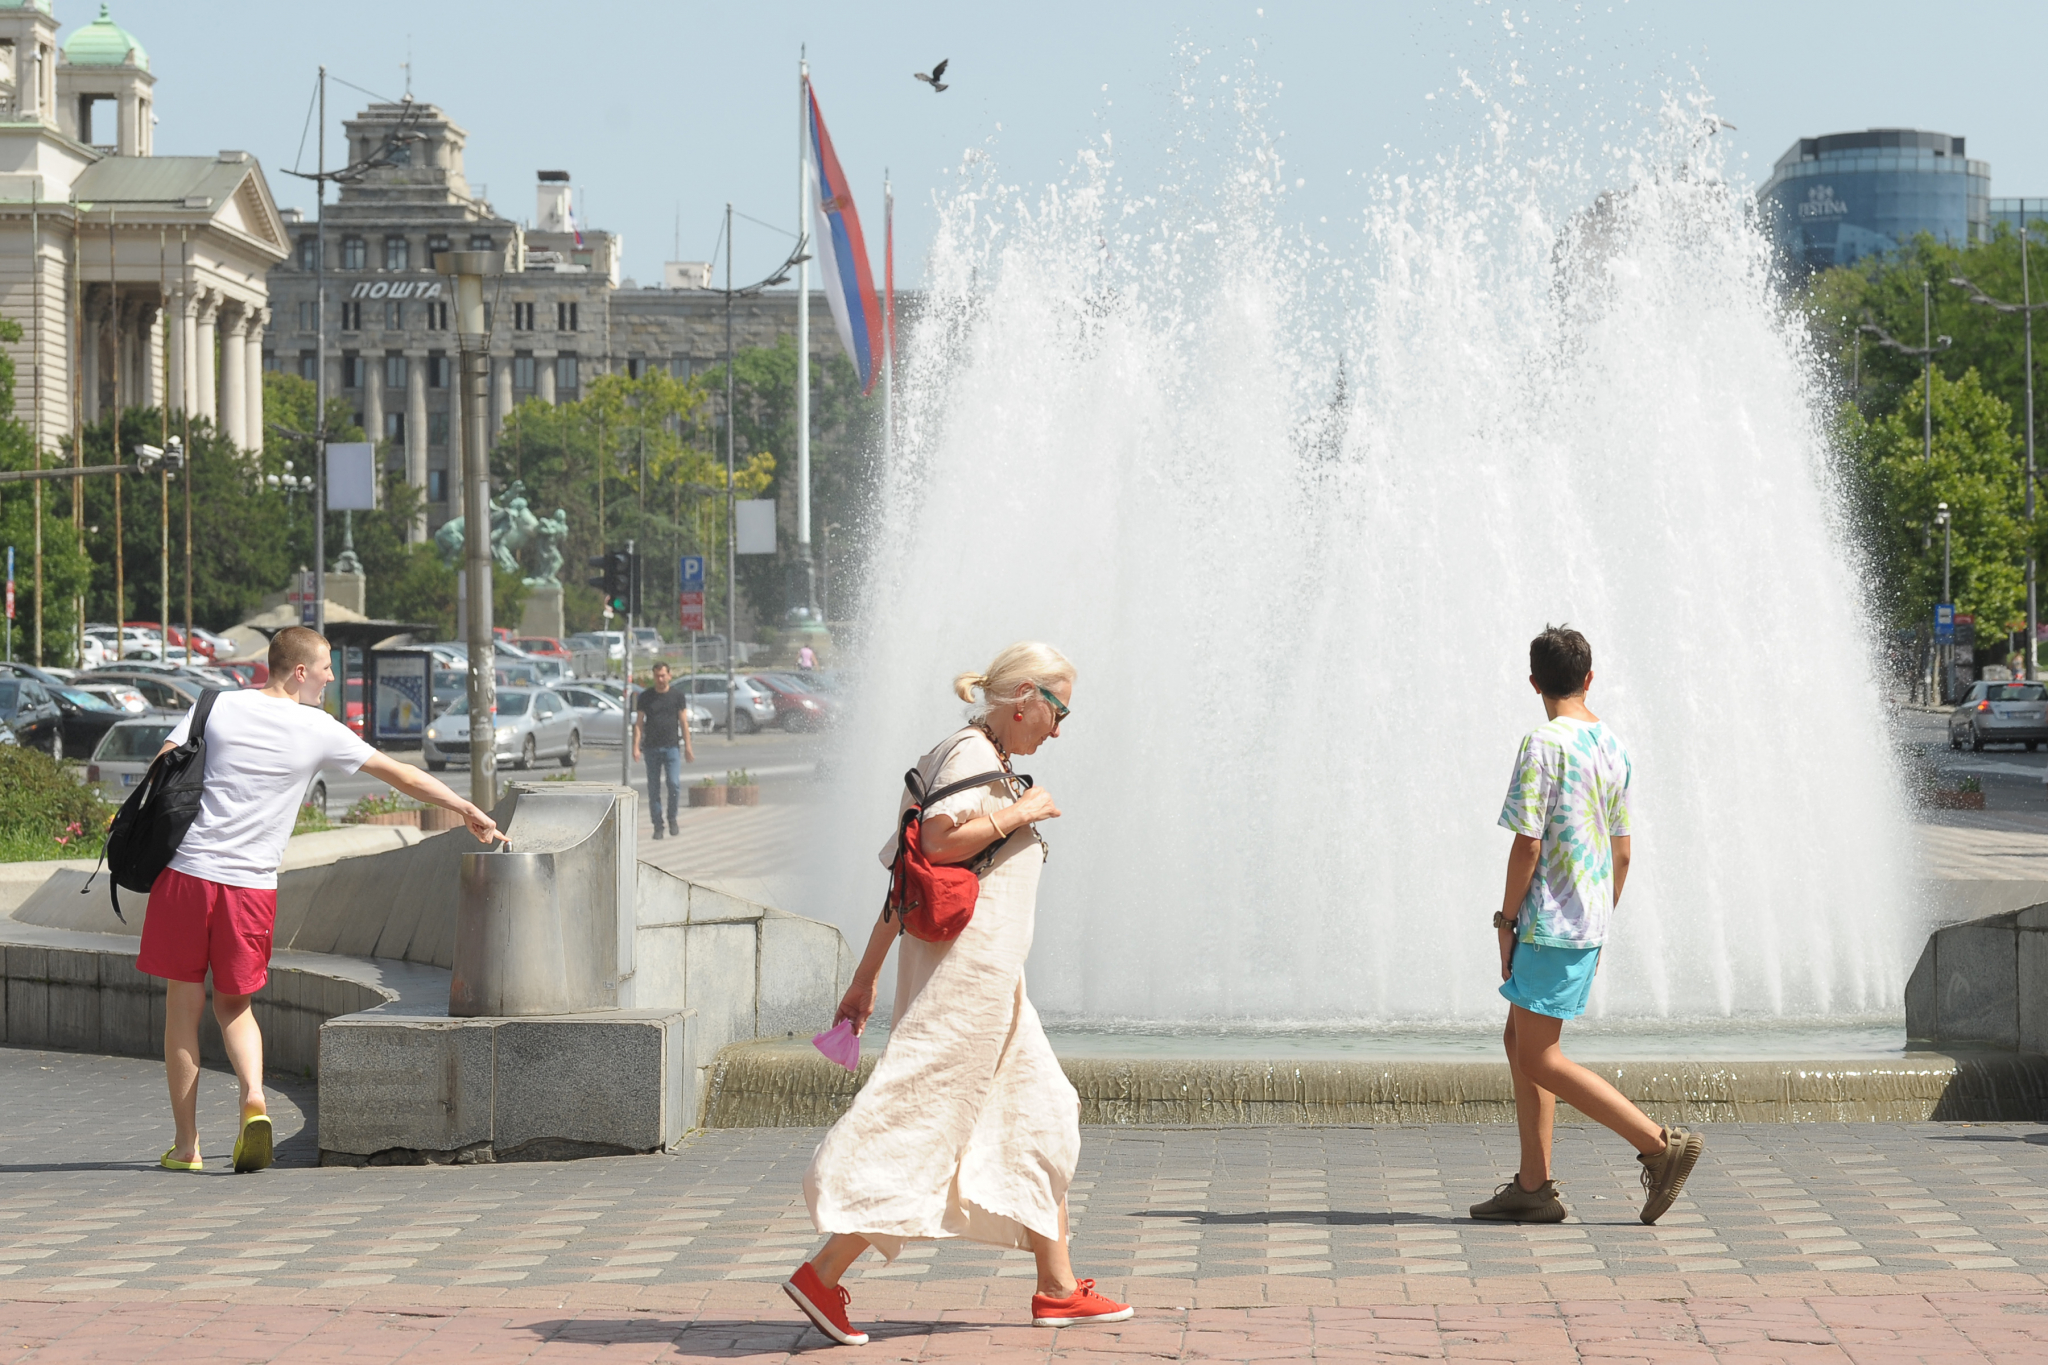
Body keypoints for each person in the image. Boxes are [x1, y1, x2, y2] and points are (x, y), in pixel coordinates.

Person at [782, 642, 1130, 1346]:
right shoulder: (971, 755)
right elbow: (937, 845)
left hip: (992, 980)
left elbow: (901, 882)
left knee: (1043, 1112)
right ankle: (823, 1271)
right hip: (966, 983)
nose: (1058, 730)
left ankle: (1057, 1287)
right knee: (927, 1119)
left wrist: (865, 975)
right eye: (1057, 710)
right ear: (1025, 695)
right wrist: (1020, 810)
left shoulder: (974, 756)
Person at [138, 626, 502, 1174]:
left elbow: (161, 768)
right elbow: (400, 774)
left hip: (186, 875)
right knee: (235, 1007)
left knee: (181, 1010)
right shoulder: (318, 729)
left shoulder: (215, 705)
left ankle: (186, 1147)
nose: (333, 677)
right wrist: (466, 808)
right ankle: (254, 1103)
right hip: (251, 887)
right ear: (300, 671)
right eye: (327, 667)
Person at [1472, 625, 1703, 1226]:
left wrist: (1506, 919)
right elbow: (1623, 851)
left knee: (1541, 1057)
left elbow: (1527, 845)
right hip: (1587, 917)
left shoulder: (1542, 744)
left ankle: (1658, 1144)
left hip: (1548, 920)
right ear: (1589, 677)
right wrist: (1599, 916)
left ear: (1534, 683)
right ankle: (1533, 1183)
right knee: (1519, 1042)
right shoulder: (1613, 746)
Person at [633, 661, 695, 840]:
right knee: (653, 789)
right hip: (651, 748)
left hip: (671, 748)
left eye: (663, 675)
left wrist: (688, 747)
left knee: (674, 783)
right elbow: (639, 724)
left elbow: (683, 723)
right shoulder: (645, 697)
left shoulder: (677, 696)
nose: (660, 679)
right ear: (653, 676)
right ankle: (658, 825)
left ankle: (672, 818)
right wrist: (636, 746)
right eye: (656, 676)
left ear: (669, 675)